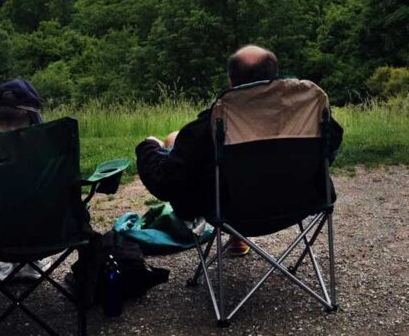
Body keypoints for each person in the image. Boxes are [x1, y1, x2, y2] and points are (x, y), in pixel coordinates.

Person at [135, 45, 343, 254]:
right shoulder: (309, 119)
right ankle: (238, 238)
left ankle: (238, 233)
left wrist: (149, 147)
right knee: (247, 164)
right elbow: (330, 148)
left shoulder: (209, 126)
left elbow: (165, 184)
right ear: (275, 77)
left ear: (231, 81)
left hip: (231, 213)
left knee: (176, 141)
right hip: (300, 204)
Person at [0, 78, 52, 281]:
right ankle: (34, 260)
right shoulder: (49, 162)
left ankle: (0, 261)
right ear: (33, 124)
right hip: (45, 237)